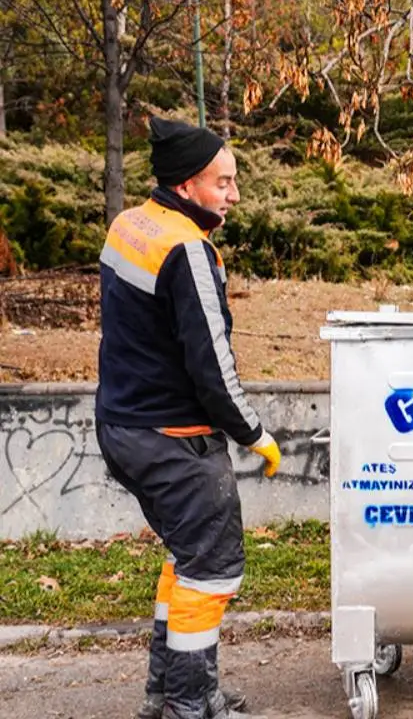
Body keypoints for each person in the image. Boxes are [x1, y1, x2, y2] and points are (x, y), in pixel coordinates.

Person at [95, 116, 280, 719]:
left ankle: (167, 693)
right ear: (185, 184)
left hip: (123, 426)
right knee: (214, 567)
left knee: (187, 557)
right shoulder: (187, 248)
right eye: (222, 183)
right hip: (174, 439)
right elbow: (212, 365)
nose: (233, 195)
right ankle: (189, 703)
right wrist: (255, 434)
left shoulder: (130, 225)